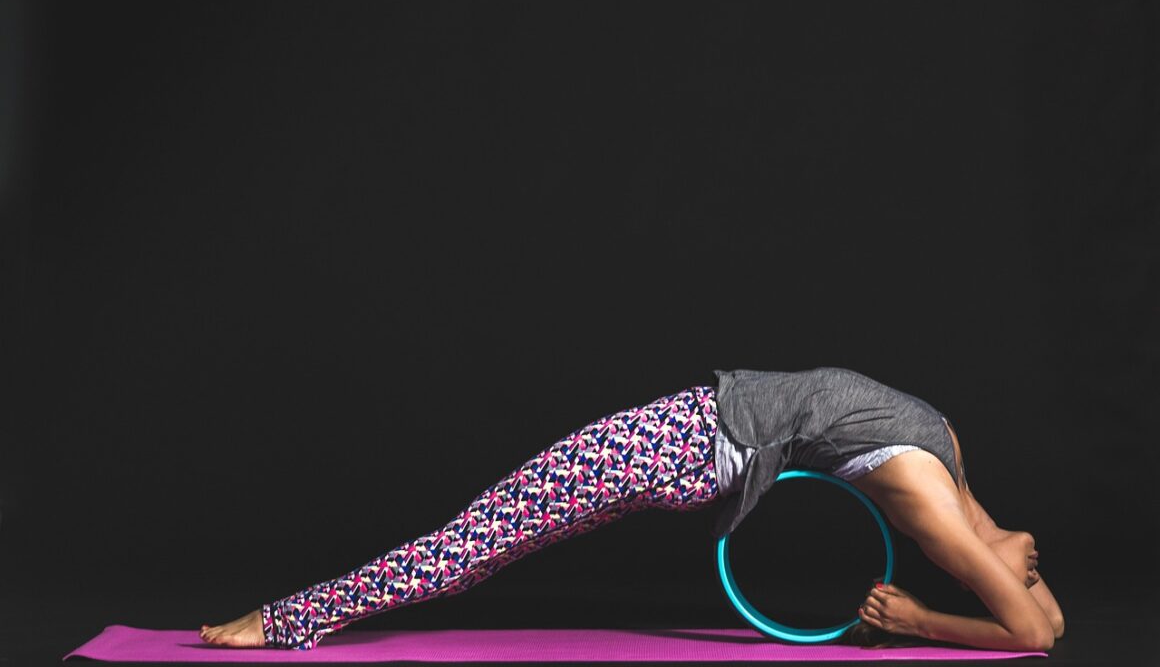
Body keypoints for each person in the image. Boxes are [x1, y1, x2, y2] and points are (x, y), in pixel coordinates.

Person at [199, 367, 1063, 652]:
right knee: (473, 546)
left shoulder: (945, 454)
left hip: (679, 442)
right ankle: (295, 618)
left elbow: (1038, 627)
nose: (1003, 575)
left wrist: (930, 613)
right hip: (673, 443)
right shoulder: (937, 498)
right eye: (1004, 572)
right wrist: (918, 620)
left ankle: (288, 620)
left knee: (472, 544)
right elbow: (1035, 632)